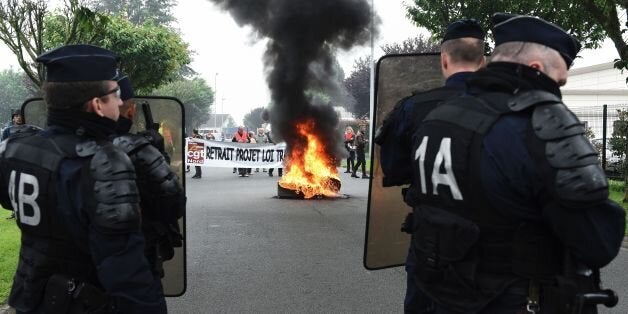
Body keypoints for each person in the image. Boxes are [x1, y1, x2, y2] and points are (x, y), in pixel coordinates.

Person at [382, 14, 626, 313]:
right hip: (514, 301)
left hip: (440, 297)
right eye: (559, 80)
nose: (559, 88)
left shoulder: (437, 118)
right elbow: (597, 241)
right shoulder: (540, 126)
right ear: (536, 69)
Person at [0, 44, 166, 313]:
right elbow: (126, 273)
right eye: (116, 93)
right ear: (97, 104)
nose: (121, 102)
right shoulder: (104, 163)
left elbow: (13, 203)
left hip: (31, 298)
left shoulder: (16, 149)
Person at [376, 18, 486, 313]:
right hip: (493, 256)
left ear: (444, 59)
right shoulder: (512, 107)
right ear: (484, 60)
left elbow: (392, 168)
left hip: (431, 248)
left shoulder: (413, 108)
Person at [112, 74, 185, 279]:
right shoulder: (138, 152)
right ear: (131, 110)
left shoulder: (54, 150)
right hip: (135, 263)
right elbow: (174, 203)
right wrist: (158, 153)